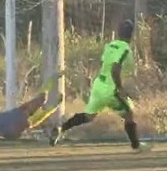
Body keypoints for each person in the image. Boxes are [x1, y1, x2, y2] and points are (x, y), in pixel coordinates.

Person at [49, 20, 150, 152]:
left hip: (99, 85)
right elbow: (115, 68)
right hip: (111, 89)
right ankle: (136, 146)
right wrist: (120, 88)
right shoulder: (125, 49)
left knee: (88, 116)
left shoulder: (111, 45)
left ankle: (61, 128)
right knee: (129, 113)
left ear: (119, 33)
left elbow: (104, 63)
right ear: (131, 35)